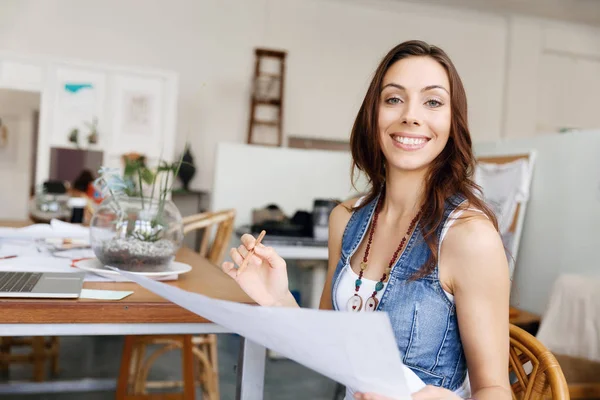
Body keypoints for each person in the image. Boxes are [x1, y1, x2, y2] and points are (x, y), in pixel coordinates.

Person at [222, 40, 511, 400]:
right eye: (394, 99)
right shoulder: (346, 220)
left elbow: (496, 392)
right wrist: (280, 299)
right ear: (373, 114)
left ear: (453, 123)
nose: (411, 115)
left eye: (433, 101)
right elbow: (331, 347)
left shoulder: (470, 237)